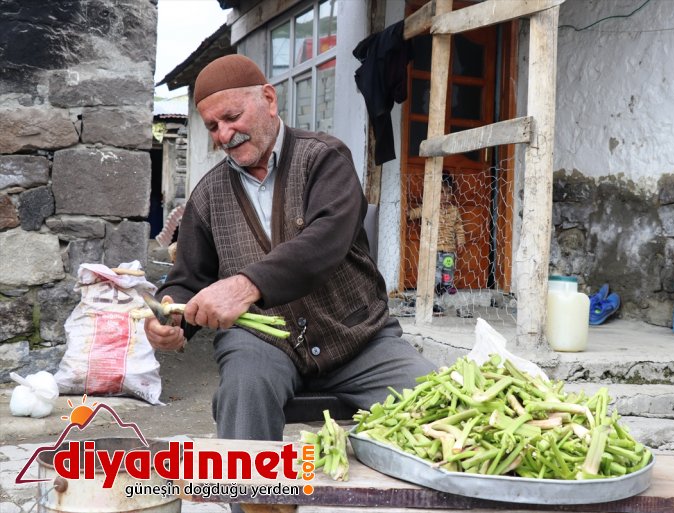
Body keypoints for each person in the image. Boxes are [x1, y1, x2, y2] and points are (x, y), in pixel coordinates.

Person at [144, 55, 436, 447]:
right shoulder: (207, 195)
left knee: (434, 402)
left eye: (232, 117)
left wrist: (245, 286)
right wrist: (171, 319)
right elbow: (188, 280)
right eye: (213, 126)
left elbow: (324, 242)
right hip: (262, 342)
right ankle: (253, 488)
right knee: (243, 392)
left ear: (269, 99)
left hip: (358, 337)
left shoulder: (325, 158)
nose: (224, 134)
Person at [407, 172, 466, 315]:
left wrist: (461, 241)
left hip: (449, 251)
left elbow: (459, 227)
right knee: (436, 275)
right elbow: (417, 212)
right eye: (441, 192)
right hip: (435, 250)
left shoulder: (454, 210)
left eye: (448, 192)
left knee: (447, 274)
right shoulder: (431, 207)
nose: (445, 196)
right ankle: (434, 300)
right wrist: (408, 214)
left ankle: (443, 293)